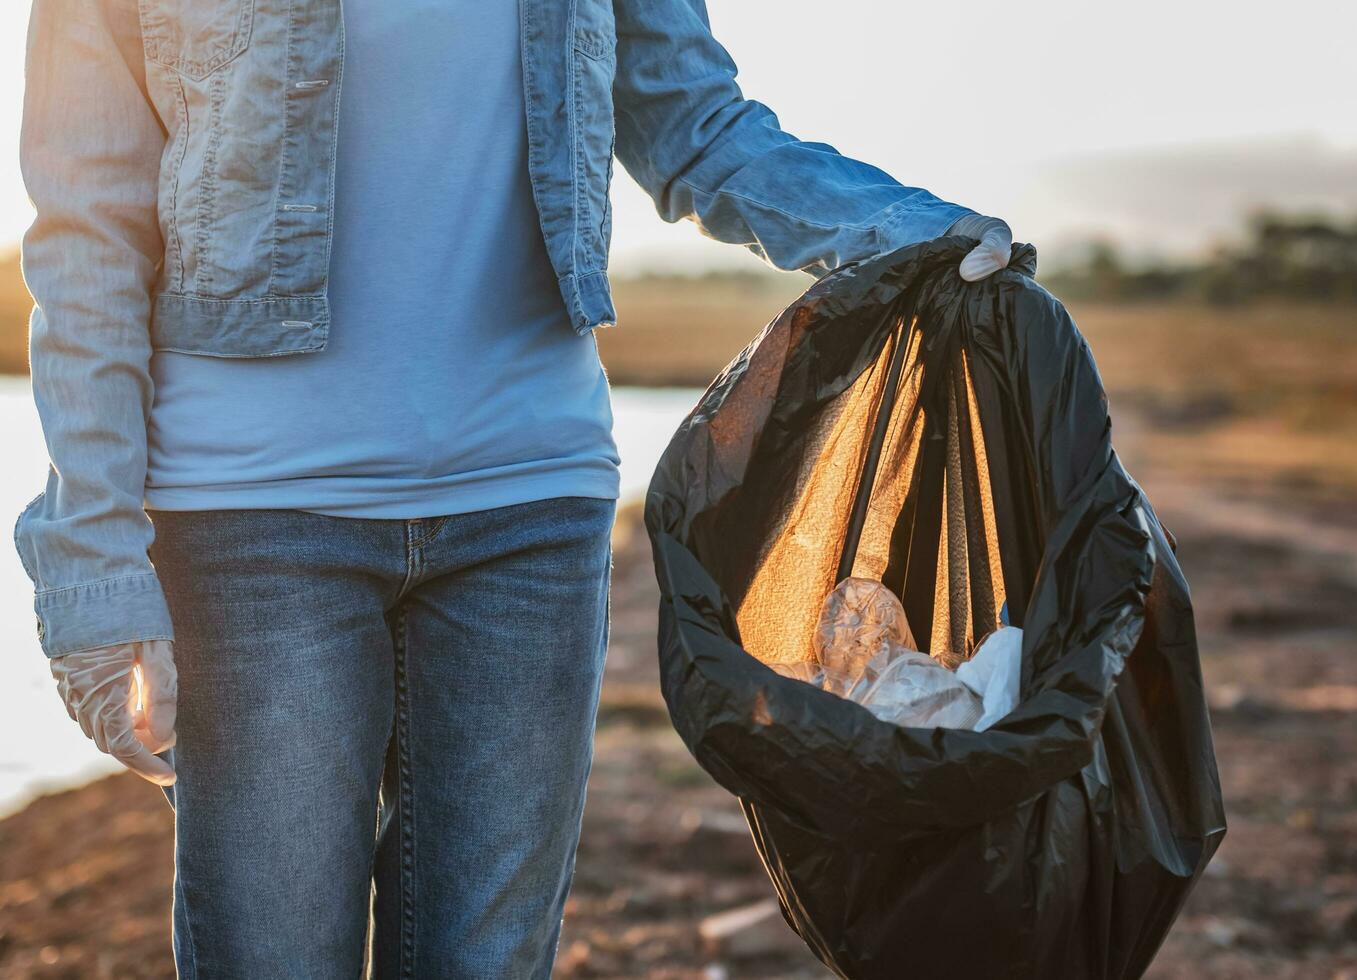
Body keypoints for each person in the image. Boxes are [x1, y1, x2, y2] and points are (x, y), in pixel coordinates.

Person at [15, 0, 1013, 975]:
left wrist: (921, 233)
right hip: (248, 521)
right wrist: (92, 571)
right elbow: (89, 230)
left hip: (528, 510)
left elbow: (695, 129)